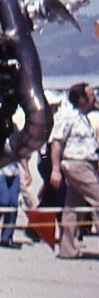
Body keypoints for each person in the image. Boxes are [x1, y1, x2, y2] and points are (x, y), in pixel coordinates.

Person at [50, 82, 99, 260]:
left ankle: (67, 249)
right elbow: (56, 143)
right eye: (91, 95)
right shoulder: (67, 116)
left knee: (72, 208)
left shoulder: (82, 116)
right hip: (76, 164)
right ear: (81, 99)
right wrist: (55, 170)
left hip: (86, 164)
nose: (94, 98)